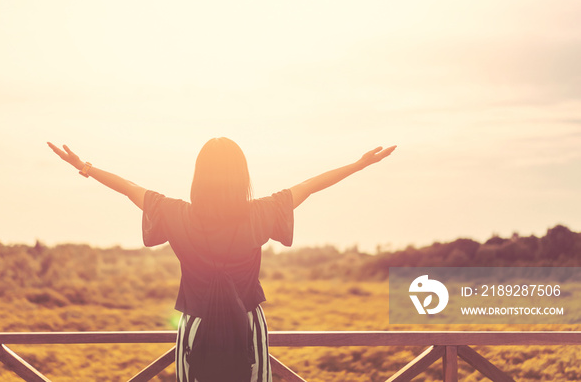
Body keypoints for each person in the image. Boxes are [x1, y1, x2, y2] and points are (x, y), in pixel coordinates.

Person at [48, 138, 395, 381]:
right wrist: (360, 165)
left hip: (195, 326)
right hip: (248, 325)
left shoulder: (175, 214)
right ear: (241, 176)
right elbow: (310, 186)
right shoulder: (260, 213)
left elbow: (128, 188)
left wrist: (85, 167)